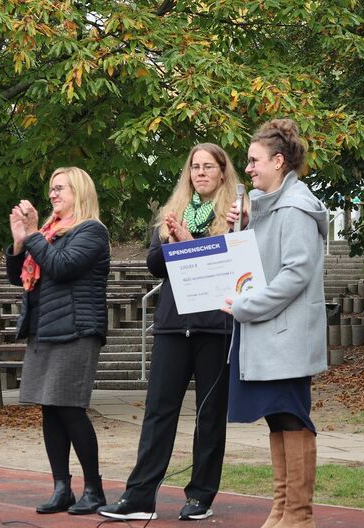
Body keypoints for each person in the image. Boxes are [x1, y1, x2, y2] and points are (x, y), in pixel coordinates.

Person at [98, 144, 241, 521]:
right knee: (158, 411)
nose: (200, 172)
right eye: (194, 166)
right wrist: (170, 238)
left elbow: (234, 264)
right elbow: (153, 265)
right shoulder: (172, 212)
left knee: (209, 416)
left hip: (216, 326)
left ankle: (201, 496)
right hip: (173, 324)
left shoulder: (236, 214)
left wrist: (192, 243)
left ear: (223, 172)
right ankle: (139, 496)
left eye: (209, 166)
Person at [223, 118, 328, 528]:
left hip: (284, 336)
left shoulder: (297, 208)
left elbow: (295, 274)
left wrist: (246, 306)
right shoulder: (267, 206)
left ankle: (298, 516)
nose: (247, 168)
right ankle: (282, 509)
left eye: (253, 161)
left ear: (278, 161)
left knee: (290, 417)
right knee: (276, 418)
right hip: (266, 336)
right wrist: (242, 224)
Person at [5, 167, 110, 515]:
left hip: (77, 330)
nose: (52, 195)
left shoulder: (91, 231)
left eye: (60, 188)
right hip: (45, 330)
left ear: (79, 191)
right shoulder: (48, 233)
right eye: (50, 189)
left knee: (69, 408)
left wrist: (33, 234)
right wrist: (20, 241)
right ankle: (61, 488)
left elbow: (62, 267)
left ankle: (93, 490)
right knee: (49, 408)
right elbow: (18, 277)